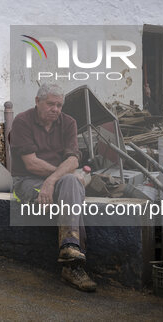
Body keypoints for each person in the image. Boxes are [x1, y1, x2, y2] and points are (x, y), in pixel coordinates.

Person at [9, 83, 97, 292]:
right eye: (51, 104)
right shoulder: (22, 121)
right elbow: (31, 163)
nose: (56, 109)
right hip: (27, 183)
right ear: (37, 101)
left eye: (59, 105)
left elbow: (73, 161)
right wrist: (59, 175)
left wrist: (51, 180)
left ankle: (70, 247)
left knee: (72, 182)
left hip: (55, 183)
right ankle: (73, 266)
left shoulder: (68, 123)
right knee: (73, 186)